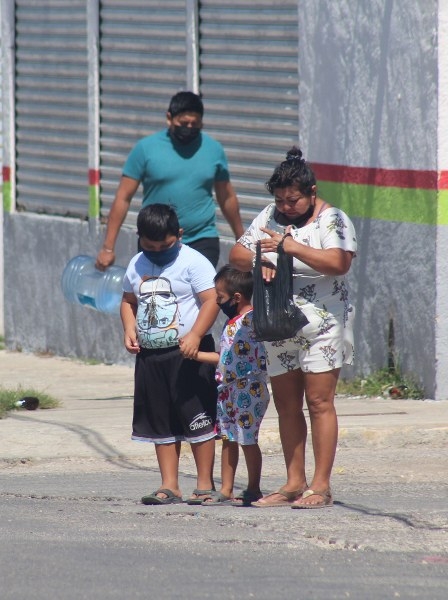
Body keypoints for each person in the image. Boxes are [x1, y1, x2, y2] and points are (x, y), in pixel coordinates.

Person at [229, 147, 357, 508]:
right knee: (286, 404)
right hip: (278, 323)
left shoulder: (333, 220)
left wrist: (290, 249)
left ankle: (321, 486)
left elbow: (338, 262)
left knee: (319, 402)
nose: (285, 206)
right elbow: (237, 254)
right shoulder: (269, 215)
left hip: (323, 323)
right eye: (280, 199)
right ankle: (293, 483)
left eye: (293, 200)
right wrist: (266, 257)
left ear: (312, 192)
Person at [120, 203, 219, 505]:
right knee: (160, 421)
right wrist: (128, 328)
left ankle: (204, 484)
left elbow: (211, 300)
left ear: (179, 234)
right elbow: (128, 301)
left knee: (198, 417)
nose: (157, 251)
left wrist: (196, 335)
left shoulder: (193, 262)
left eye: (164, 245)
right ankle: (169, 485)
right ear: (139, 238)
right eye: (150, 246)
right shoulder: (137, 264)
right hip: (152, 359)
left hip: (190, 355)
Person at [96, 91, 244, 270]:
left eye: (195, 124)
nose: (189, 128)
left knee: (198, 296)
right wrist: (108, 247)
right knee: (155, 294)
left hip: (202, 239)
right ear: (169, 118)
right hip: (154, 241)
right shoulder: (145, 149)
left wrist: (241, 239)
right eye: (183, 123)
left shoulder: (214, 150)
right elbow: (123, 197)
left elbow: (226, 196)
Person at [190, 265, 270, 506]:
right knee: (228, 437)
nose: (217, 301)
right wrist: (196, 355)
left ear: (236, 297)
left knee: (247, 438)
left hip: (249, 388)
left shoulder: (253, 321)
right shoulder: (231, 323)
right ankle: (226, 488)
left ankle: (253, 488)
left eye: (220, 297)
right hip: (227, 389)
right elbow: (225, 357)